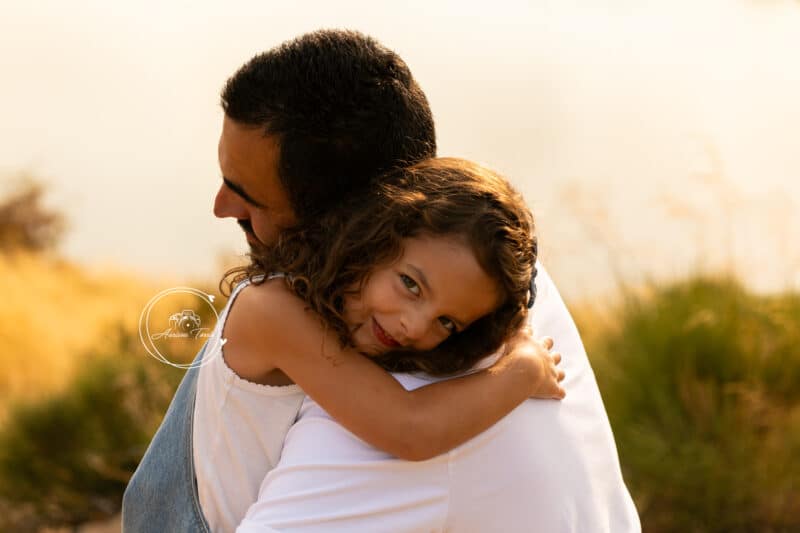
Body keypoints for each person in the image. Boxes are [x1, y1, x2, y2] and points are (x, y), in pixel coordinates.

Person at [123, 29, 640, 532]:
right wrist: (523, 366)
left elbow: (409, 429)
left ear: (352, 225)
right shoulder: (276, 307)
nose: (220, 208)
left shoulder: (471, 274)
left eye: (248, 202)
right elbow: (408, 427)